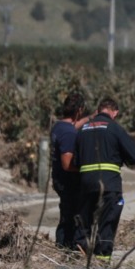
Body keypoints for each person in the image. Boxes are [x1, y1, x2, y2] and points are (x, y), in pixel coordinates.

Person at [75, 97, 135, 261]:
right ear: (115, 112)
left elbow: (75, 161)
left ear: (98, 110)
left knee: (84, 224)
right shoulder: (115, 128)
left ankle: (79, 259)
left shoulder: (82, 129)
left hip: (85, 184)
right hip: (109, 184)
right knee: (107, 224)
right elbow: (134, 156)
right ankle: (102, 263)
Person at [50, 91, 87, 250]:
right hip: (68, 182)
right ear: (79, 110)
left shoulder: (59, 126)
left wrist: (90, 118)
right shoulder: (68, 133)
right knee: (71, 217)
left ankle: (63, 247)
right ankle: (66, 248)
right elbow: (67, 164)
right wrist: (85, 168)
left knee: (66, 213)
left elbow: (73, 126)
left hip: (59, 178)